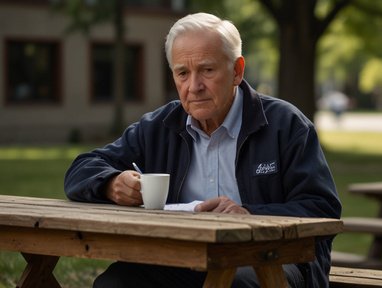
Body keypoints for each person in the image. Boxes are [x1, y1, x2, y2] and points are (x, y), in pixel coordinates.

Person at [64, 12, 341, 288]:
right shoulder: (159, 127)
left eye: (207, 70)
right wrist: (111, 184)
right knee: (115, 283)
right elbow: (81, 169)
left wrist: (249, 215)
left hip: (275, 259)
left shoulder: (286, 124)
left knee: (238, 283)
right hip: (181, 259)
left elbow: (322, 209)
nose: (194, 86)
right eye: (182, 73)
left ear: (237, 71)